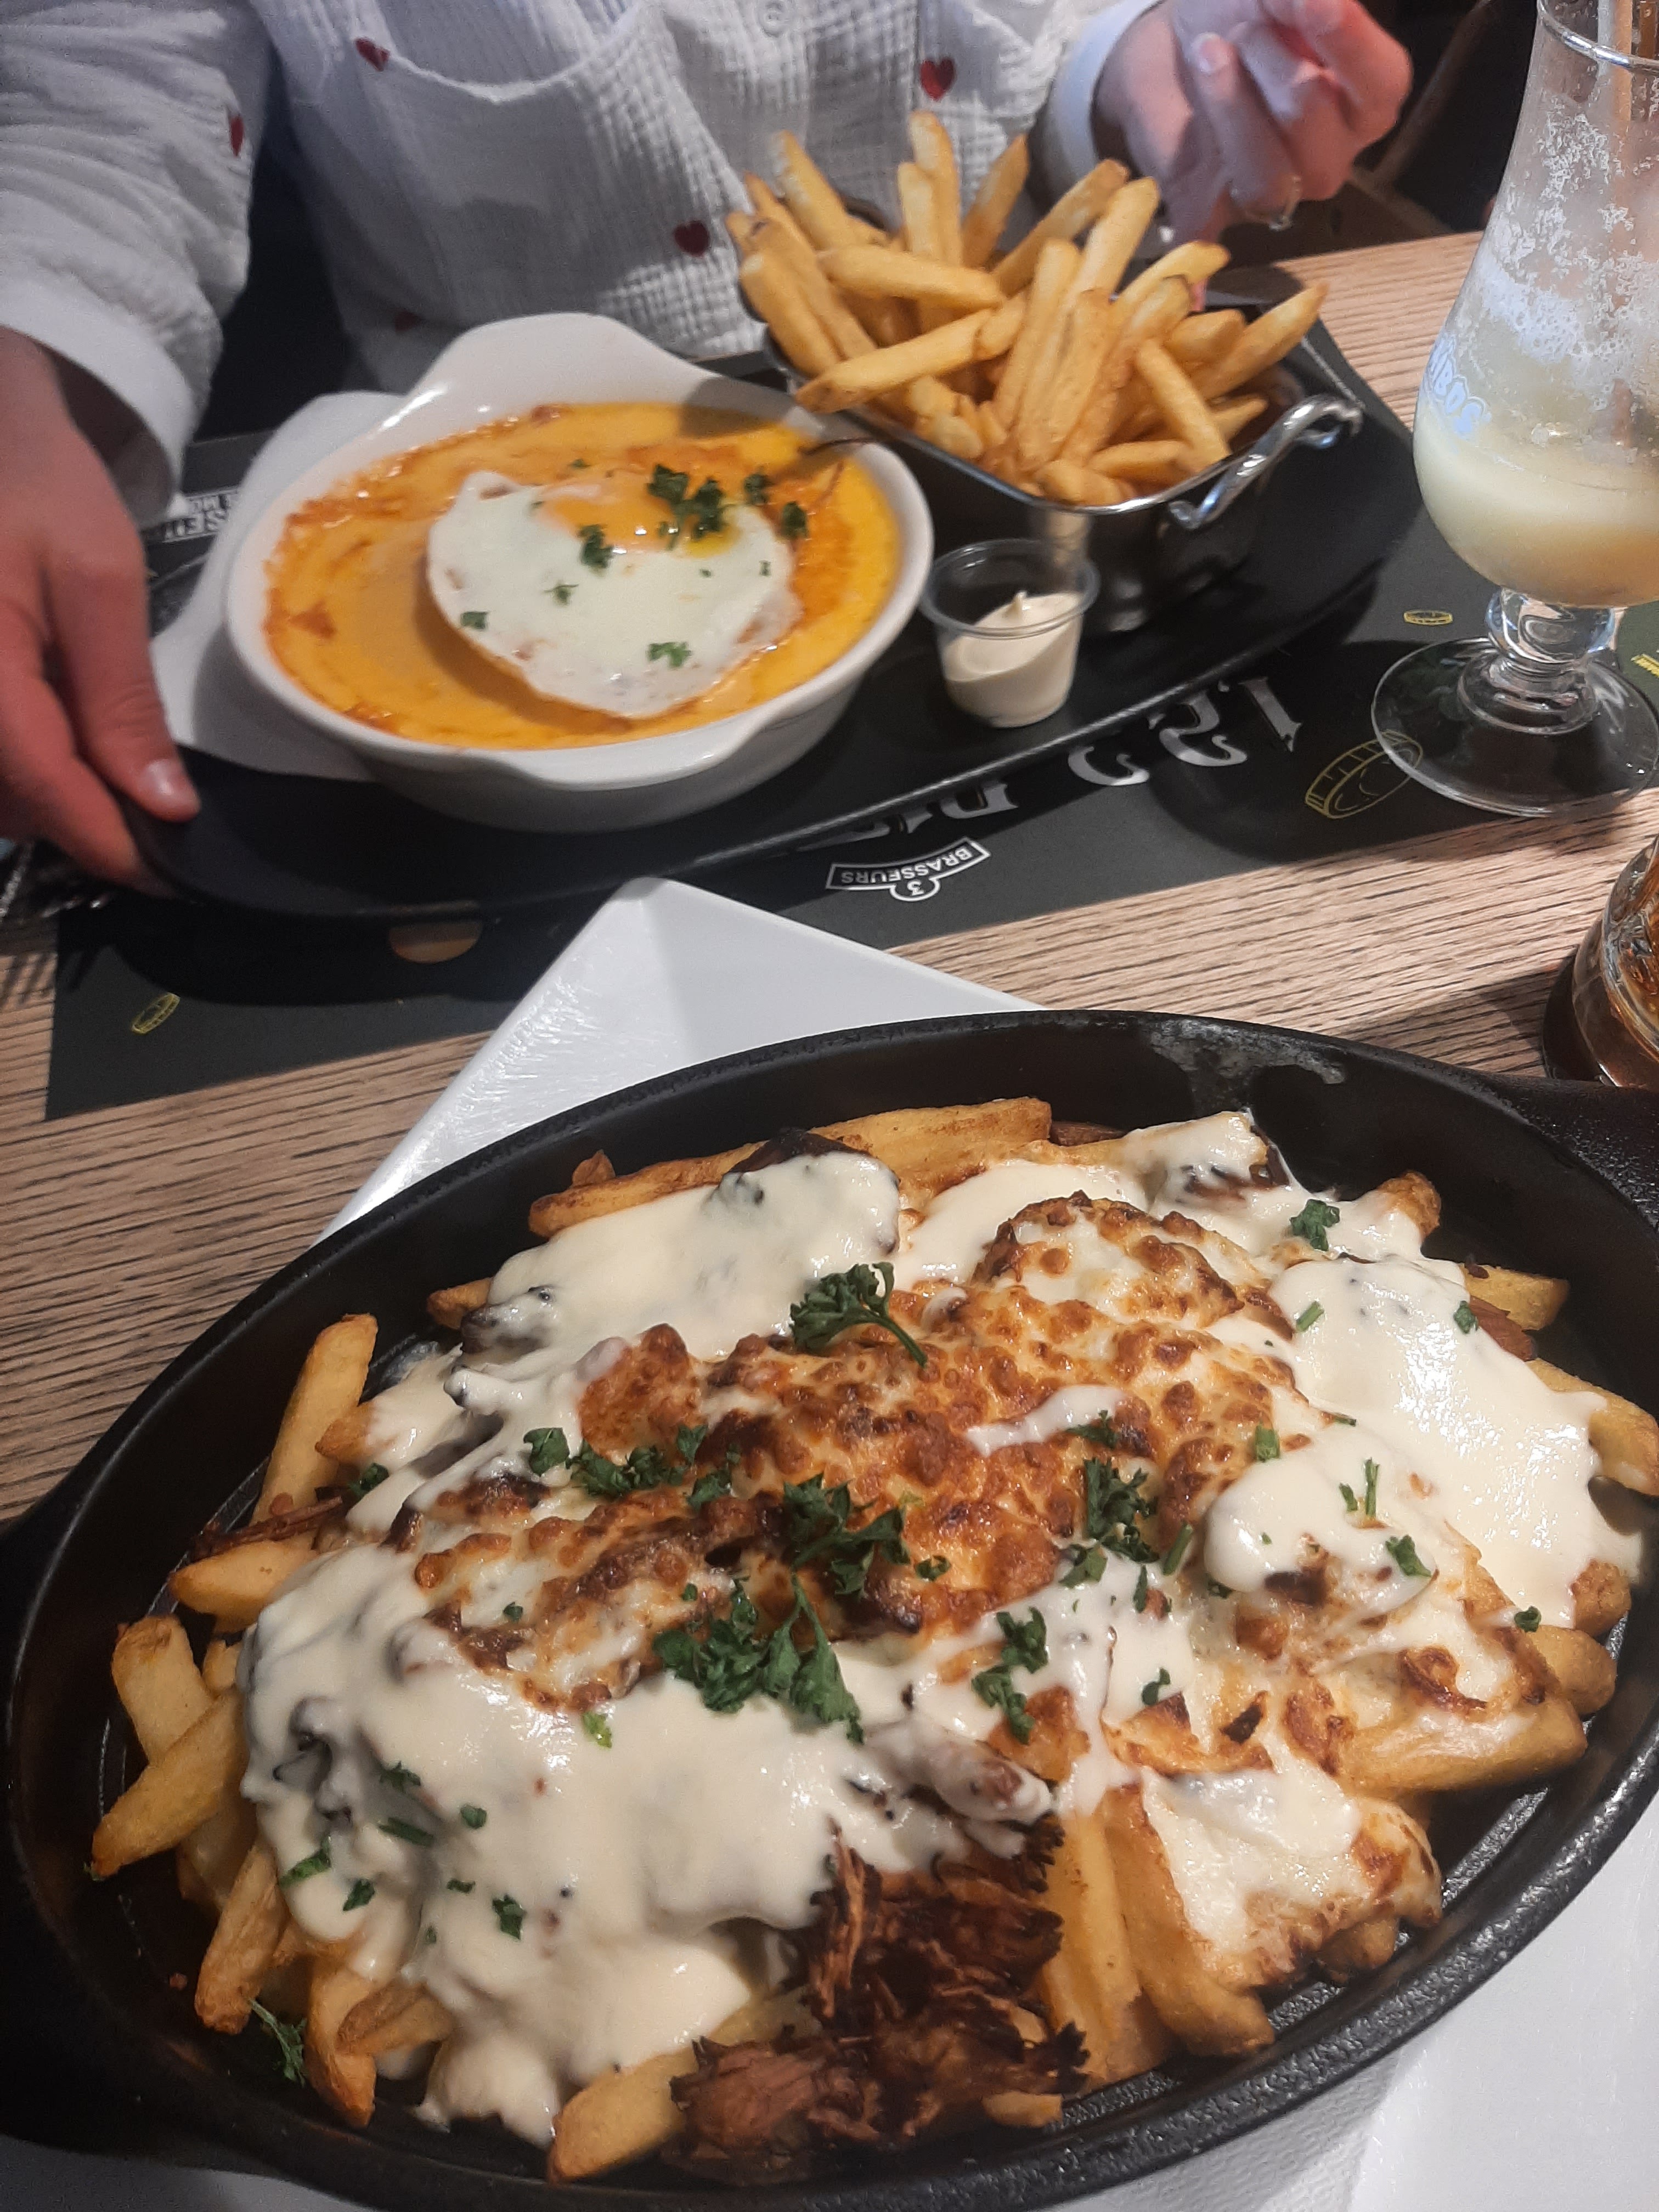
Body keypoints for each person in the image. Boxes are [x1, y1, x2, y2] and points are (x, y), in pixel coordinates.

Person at [0, 0, 1410, 887]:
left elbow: (1063, 27)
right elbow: (100, 94)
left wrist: (1158, 53)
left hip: (945, 451)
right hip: (448, 438)